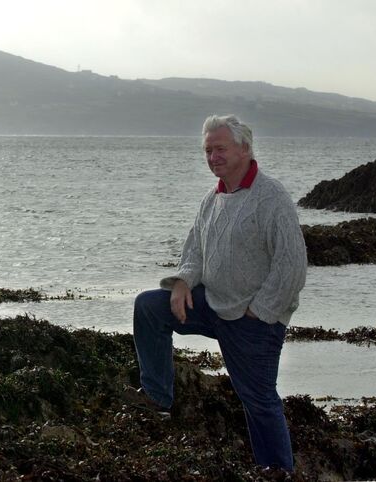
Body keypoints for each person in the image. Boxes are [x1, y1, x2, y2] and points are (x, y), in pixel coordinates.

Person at [131, 114, 307, 471]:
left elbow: (292, 265)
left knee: (258, 401)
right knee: (149, 307)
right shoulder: (212, 200)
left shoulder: (271, 198)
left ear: (245, 148)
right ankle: (157, 398)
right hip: (210, 305)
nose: (213, 157)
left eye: (220, 148)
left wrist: (259, 312)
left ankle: (278, 474)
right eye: (208, 150)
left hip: (253, 320)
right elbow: (195, 250)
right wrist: (182, 282)